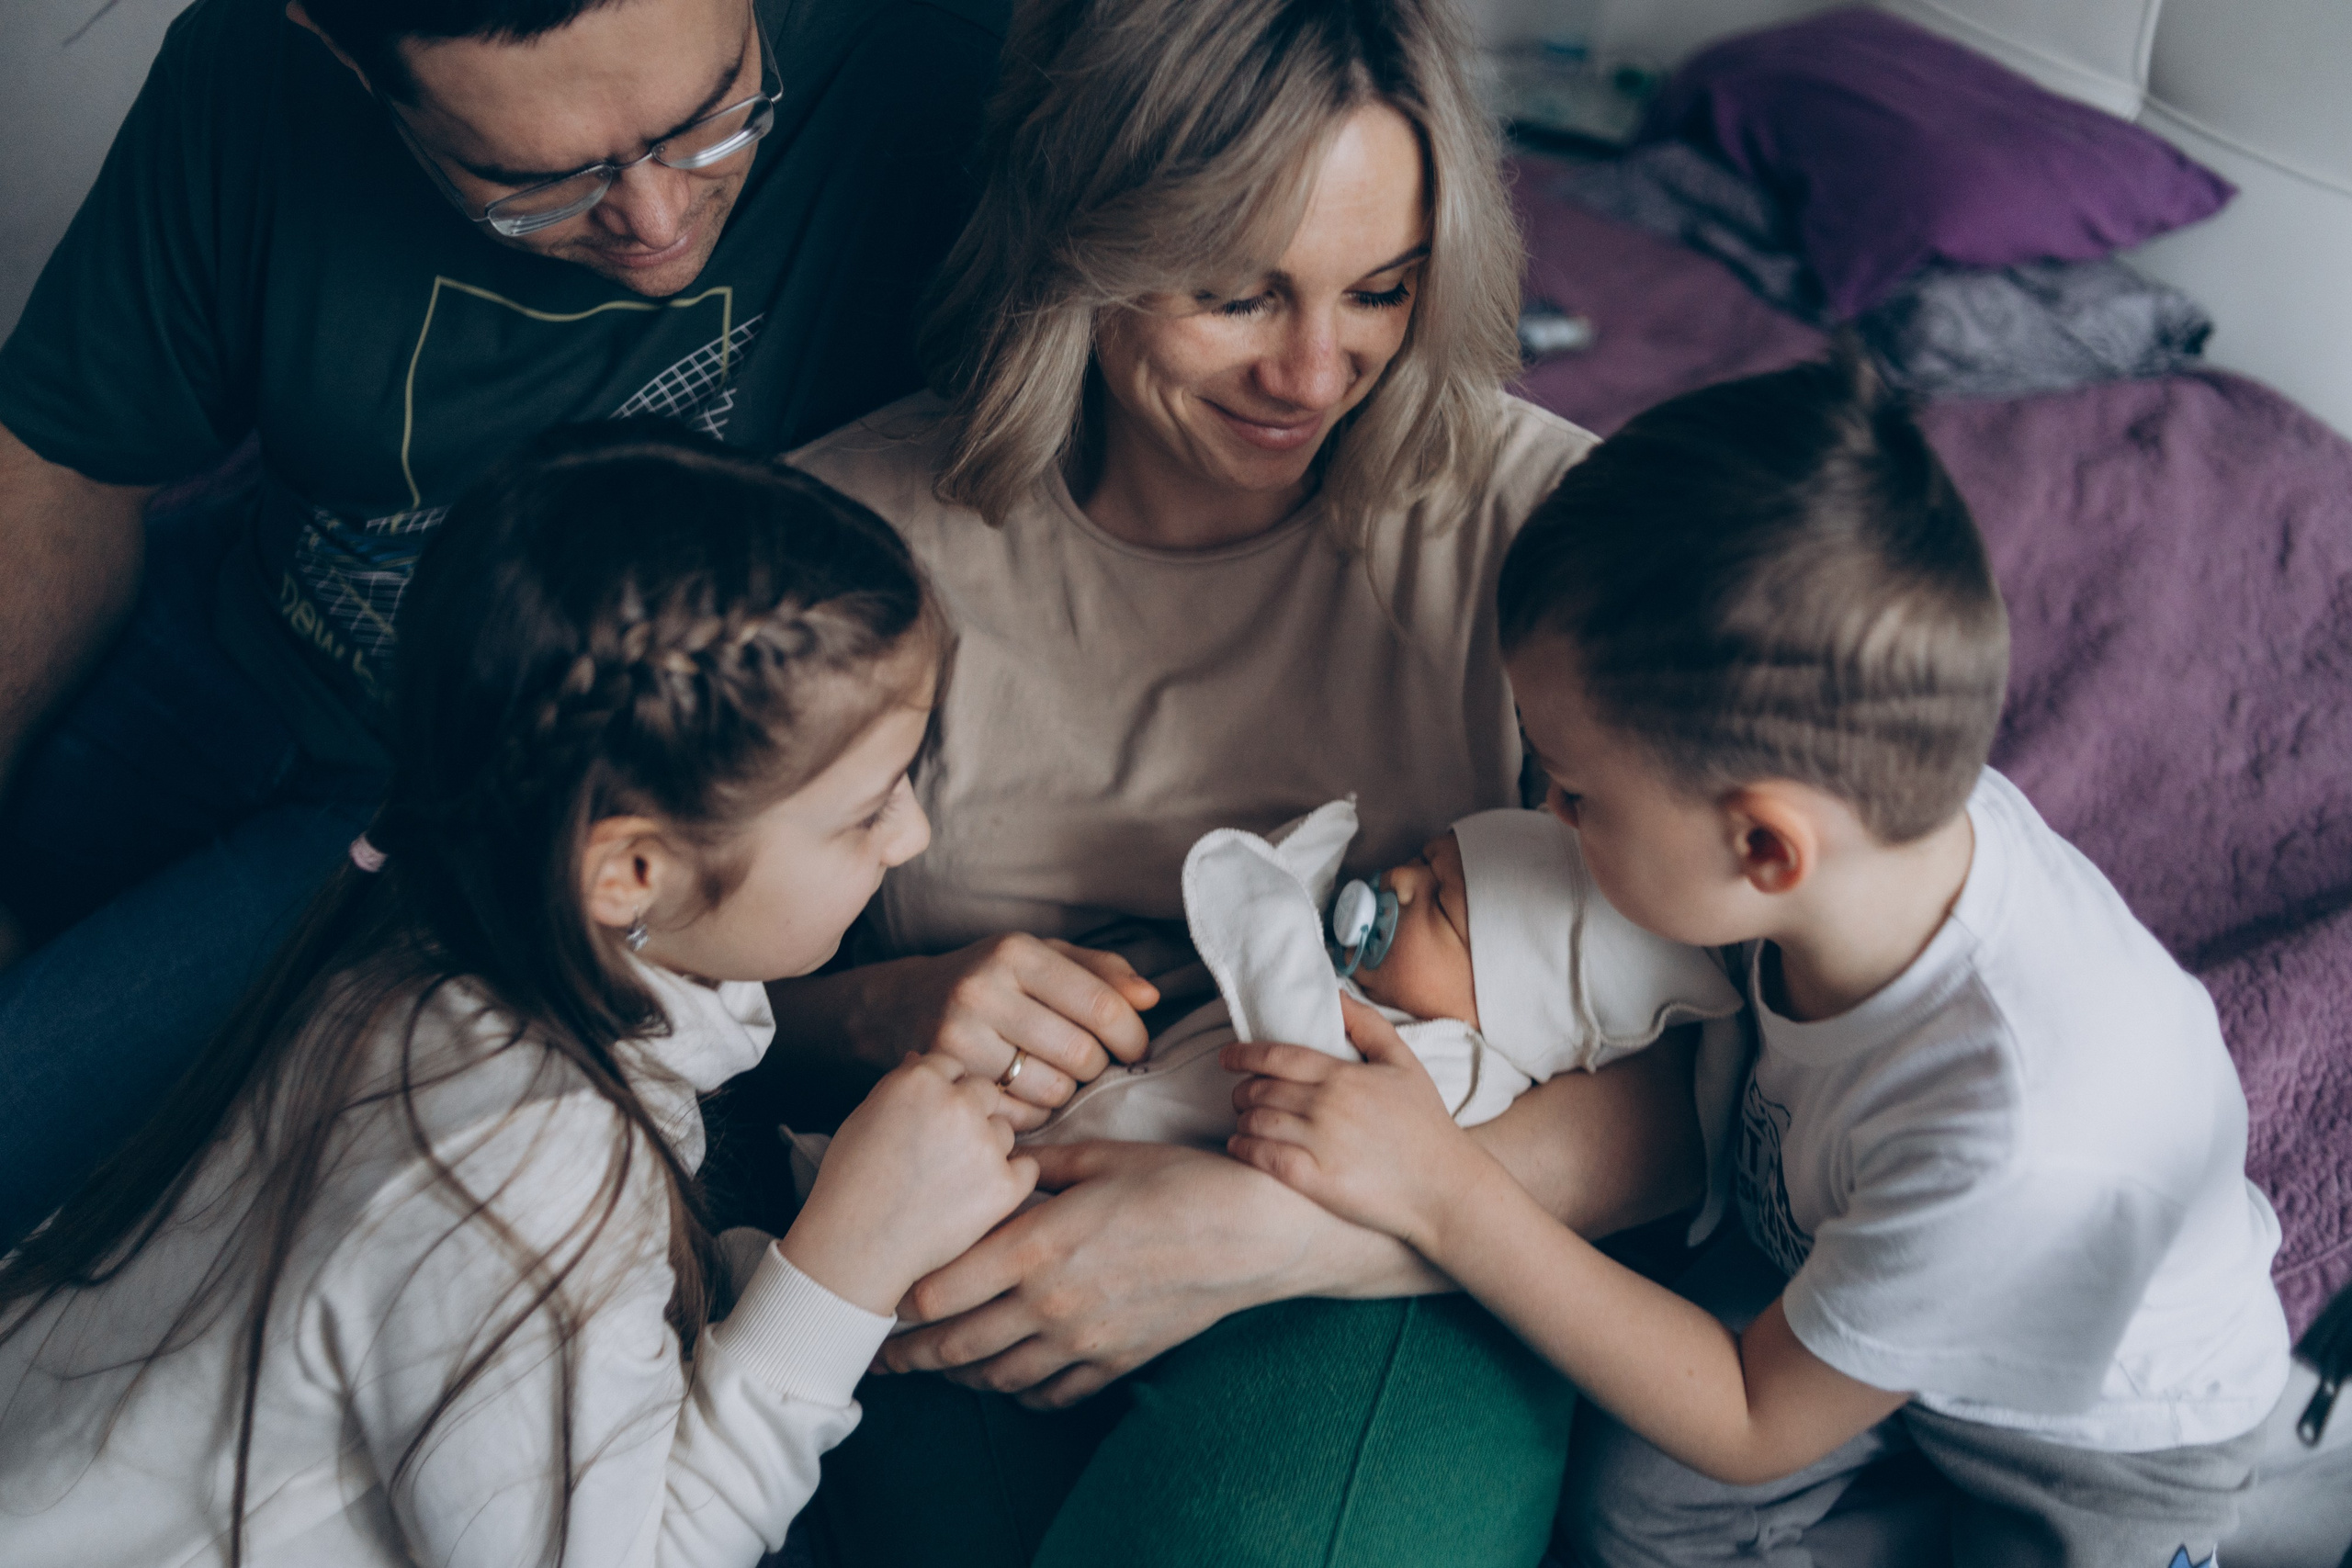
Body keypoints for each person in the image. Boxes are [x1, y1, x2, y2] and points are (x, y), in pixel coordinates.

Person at [769, 1, 1710, 1562]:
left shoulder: (1550, 530)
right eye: (1232, 293)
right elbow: (657, 1006)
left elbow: (1721, 1088)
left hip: (1404, 1265)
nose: (1313, 368)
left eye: (1381, 290)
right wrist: (886, 1006)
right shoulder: (847, 543)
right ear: (1079, 239)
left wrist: (1290, 1228)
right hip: (966, 1233)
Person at [1221, 355, 2295, 1568]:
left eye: (1576, 791)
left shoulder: (2011, 1125)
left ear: (1765, 849)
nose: (1552, 816)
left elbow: (1749, 1418)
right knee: (1628, 1503)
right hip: (1857, 1289)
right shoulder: (1855, 827)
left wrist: (1441, 1185)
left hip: (2093, 1435)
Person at [0, 0, 1005, 1247]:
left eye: (707, 121)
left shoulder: (939, 53)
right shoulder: (254, 62)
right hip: (230, 645)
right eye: (537, 183)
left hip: (465, 820)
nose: (655, 225)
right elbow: (66, 464)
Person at [0, 425, 1041, 1567]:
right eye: (867, 809)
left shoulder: (445, 937)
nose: (914, 834)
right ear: (629, 872)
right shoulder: (525, 1153)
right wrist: (843, 1265)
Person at [1004, 799, 1742, 1147]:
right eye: (1423, 859)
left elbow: (1310, 1073)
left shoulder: (1453, 1068)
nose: (1398, 880)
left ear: (1504, 1008)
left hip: (1139, 1161)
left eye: (1439, 901)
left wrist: (1273, 907)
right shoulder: (1382, 991)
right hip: (1091, 1110)